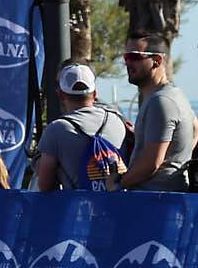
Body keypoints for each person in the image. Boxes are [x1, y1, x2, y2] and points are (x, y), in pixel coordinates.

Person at [32, 63, 130, 192]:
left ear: (61, 95)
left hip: (80, 208)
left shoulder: (57, 129)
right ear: (94, 94)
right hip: (117, 204)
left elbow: (44, 185)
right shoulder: (116, 120)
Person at [120, 34, 197, 192]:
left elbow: (151, 163)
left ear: (157, 60)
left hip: (156, 201)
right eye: (126, 57)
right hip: (166, 197)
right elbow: (196, 130)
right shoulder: (175, 94)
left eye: (134, 57)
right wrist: (176, 158)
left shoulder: (161, 101)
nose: (128, 63)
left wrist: (118, 182)